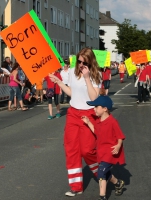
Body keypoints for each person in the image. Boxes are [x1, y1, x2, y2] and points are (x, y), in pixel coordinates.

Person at [48, 47, 101, 196]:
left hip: (89, 114)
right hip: (73, 113)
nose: (81, 65)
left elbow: (94, 98)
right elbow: (71, 92)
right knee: (71, 149)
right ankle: (75, 186)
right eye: (79, 61)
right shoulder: (72, 72)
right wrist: (58, 82)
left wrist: (87, 78)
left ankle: (103, 172)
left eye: (85, 63)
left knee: (87, 150)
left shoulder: (96, 75)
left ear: (91, 63)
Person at [81, 95, 125, 200]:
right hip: (101, 151)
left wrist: (118, 145)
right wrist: (88, 122)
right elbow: (96, 132)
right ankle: (118, 183)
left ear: (105, 109)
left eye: (96, 106)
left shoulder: (112, 122)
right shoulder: (98, 121)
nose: (94, 109)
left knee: (100, 172)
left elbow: (120, 136)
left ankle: (102, 196)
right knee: (105, 172)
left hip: (110, 151)